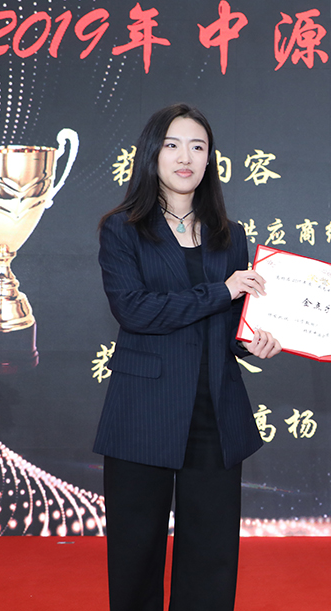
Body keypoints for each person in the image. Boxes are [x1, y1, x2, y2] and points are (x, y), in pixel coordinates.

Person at [94, 103, 281, 610]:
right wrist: (222, 291)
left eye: (198, 147)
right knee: (136, 551)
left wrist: (254, 340)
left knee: (211, 554)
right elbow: (135, 310)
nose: (186, 157)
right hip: (143, 410)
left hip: (214, 411)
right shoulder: (122, 229)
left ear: (209, 159)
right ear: (152, 154)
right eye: (173, 145)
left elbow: (232, 324)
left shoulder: (230, 235)